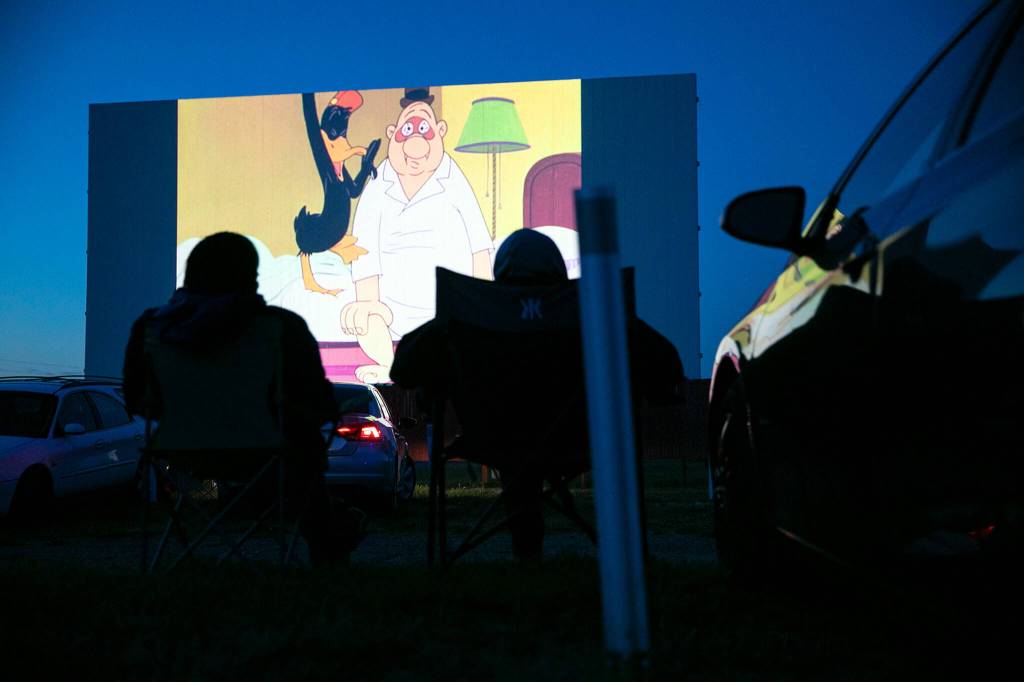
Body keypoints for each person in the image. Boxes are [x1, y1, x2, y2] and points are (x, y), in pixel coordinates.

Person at [391, 228, 684, 560]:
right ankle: (622, 555)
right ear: (558, 269)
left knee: (518, 451)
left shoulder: (471, 313)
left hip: (494, 437)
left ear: (500, 271)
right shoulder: (594, 311)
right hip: (581, 438)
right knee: (531, 444)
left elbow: (402, 370)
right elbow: (667, 368)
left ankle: (525, 553)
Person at [123, 231, 360, 566]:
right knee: (301, 443)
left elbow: (137, 401)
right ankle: (327, 537)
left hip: (183, 454)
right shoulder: (282, 327)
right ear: (251, 278)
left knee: (296, 443)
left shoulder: (151, 328)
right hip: (266, 454)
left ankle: (328, 524)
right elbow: (320, 404)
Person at [340, 87, 493, 384]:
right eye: (407, 131)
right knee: (365, 320)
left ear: (440, 131)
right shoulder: (378, 183)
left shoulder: (453, 179)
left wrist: (481, 303)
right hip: (391, 313)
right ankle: (390, 366)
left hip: (448, 310)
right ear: (392, 133)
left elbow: (479, 247)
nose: (415, 142)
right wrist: (368, 301)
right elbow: (363, 252)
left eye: (424, 130)